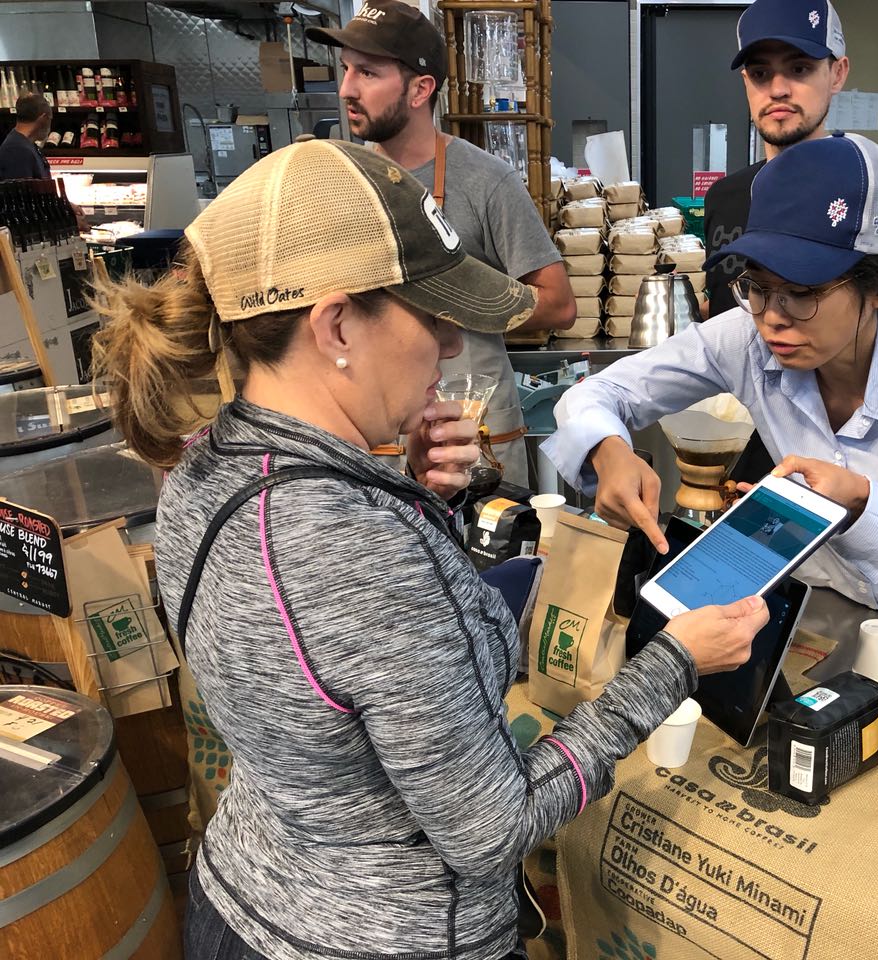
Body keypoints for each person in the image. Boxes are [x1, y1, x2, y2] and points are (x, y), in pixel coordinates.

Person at [92, 140, 767, 960]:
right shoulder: (355, 547)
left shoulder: (205, 465)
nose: (452, 345)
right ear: (335, 324)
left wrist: (407, 490)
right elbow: (493, 828)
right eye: (433, 316)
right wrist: (674, 663)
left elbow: (325, 665)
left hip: (243, 900)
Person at [543, 134, 878, 639]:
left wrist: (861, 503)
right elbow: (598, 393)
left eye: (802, 294)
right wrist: (608, 448)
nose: (772, 320)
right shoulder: (745, 338)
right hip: (830, 608)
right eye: (756, 285)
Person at [308, 0, 575, 486]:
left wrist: (453, 301)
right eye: (346, 70)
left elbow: (558, 306)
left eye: (367, 72)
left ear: (421, 89)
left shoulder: (487, 181)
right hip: (375, 437)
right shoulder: (339, 182)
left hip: (475, 431)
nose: (347, 88)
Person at [701, 0, 848, 320]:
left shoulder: (871, 198)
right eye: (760, 72)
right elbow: (725, 308)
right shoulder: (723, 197)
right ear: (745, 82)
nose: (777, 89)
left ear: (838, 74)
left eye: (799, 68)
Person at [0, 93, 53, 180]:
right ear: (43, 118)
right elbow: (24, 192)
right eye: (50, 119)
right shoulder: (17, 150)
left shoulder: (24, 144)